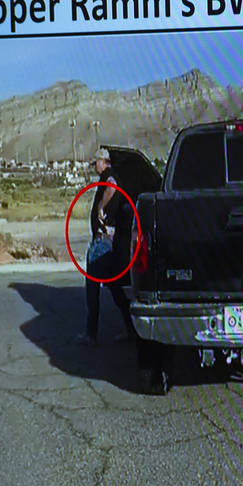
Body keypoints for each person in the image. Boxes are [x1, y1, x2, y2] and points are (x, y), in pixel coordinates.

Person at [75, 147, 134, 345]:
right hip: (109, 240)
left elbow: (112, 186)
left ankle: (91, 334)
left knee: (92, 286)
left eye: (96, 162)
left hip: (102, 241)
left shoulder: (109, 177)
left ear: (104, 162)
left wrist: (101, 206)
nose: (95, 166)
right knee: (116, 287)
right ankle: (130, 329)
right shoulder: (109, 176)